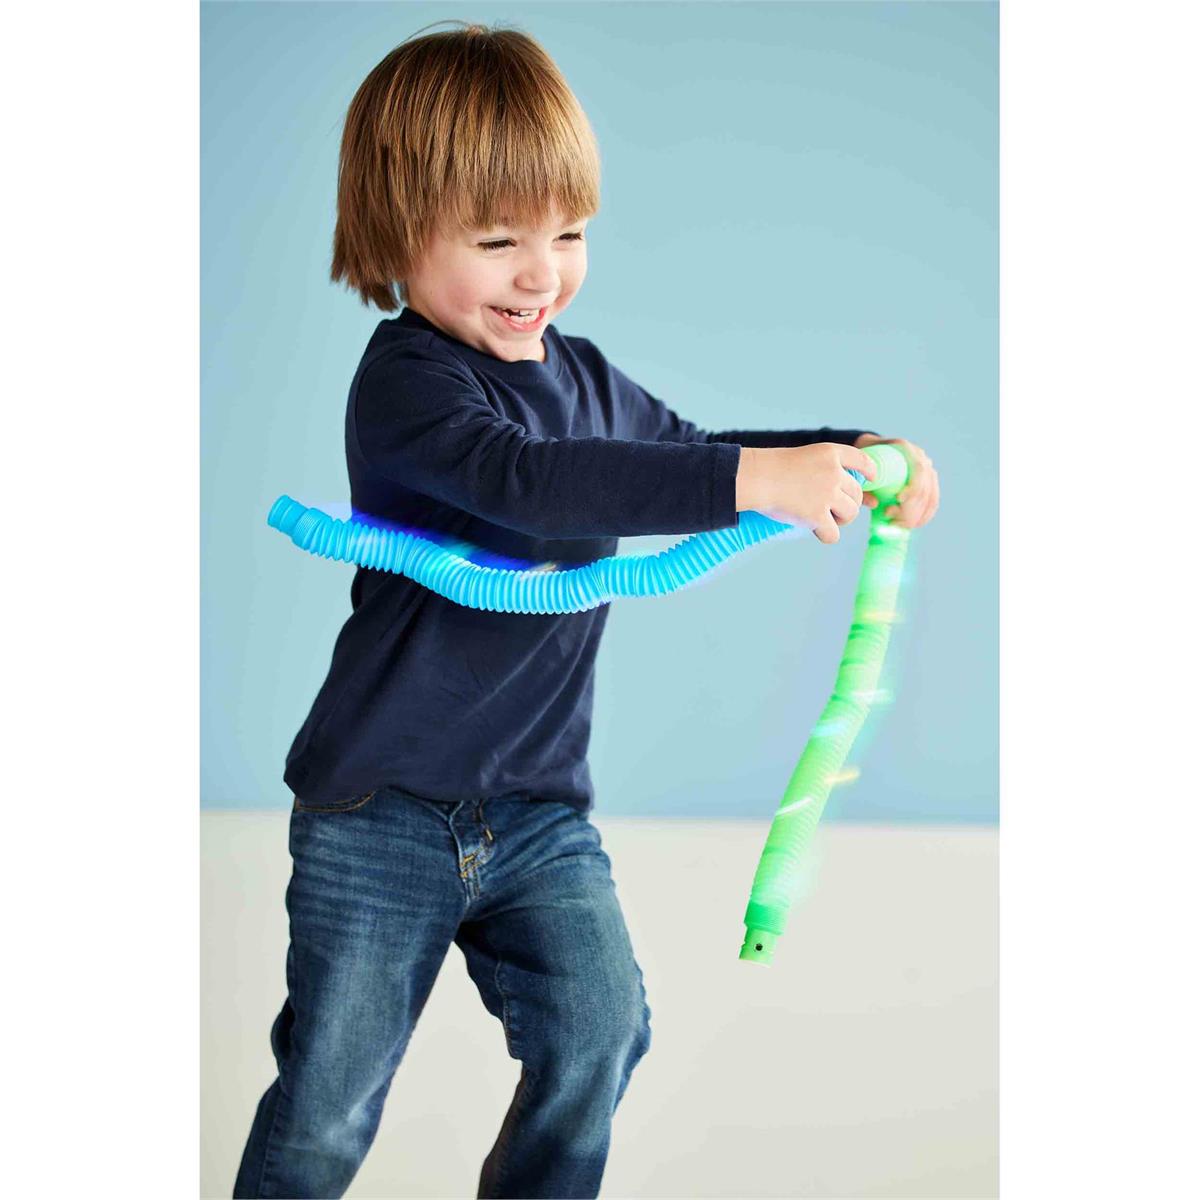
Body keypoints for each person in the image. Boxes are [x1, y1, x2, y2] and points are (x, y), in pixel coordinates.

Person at [233, 20, 940, 1200]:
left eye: (567, 234)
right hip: (380, 809)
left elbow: (692, 452)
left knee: (601, 1031)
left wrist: (849, 447)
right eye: (498, 240)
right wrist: (749, 482)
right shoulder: (408, 384)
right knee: (328, 1103)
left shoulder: (586, 375)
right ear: (398, 236)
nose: (541, 274)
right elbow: (528, 481)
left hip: (535, 809)